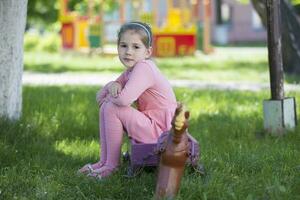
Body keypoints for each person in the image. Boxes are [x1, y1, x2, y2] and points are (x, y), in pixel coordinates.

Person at [78, 21, 177, 179]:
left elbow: (124, 101)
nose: (128, 52)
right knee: (107, 106)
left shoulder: (144, 68)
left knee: (112, 107)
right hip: (151, 123)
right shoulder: (130, 71)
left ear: (148, 51)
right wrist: (112, 84)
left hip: (162, 131)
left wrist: (112, 92)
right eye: (123, 46)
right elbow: (100, 98)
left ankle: (111, 166)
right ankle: (104, 162)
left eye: (136, 47)